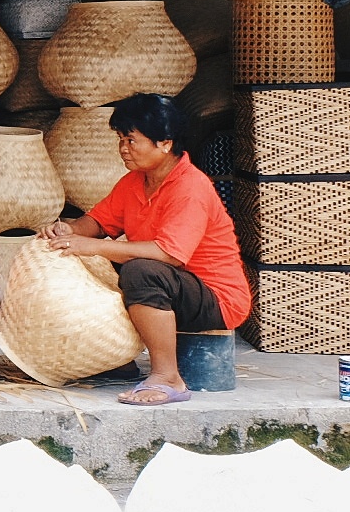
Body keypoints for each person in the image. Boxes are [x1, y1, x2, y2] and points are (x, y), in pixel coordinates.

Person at [43, 93, 249, 406]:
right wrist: (69, 231)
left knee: (140, 270)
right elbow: (97, 223)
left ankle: (168, 378)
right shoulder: (134, 182)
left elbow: (169, 255)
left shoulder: (191, 187)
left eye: (131, 140)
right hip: (175, 285)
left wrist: (91, 246)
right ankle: (115, 358)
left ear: (165, 143)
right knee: (88, 260)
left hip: (217, 299)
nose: (123, 148)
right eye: (120, 139)